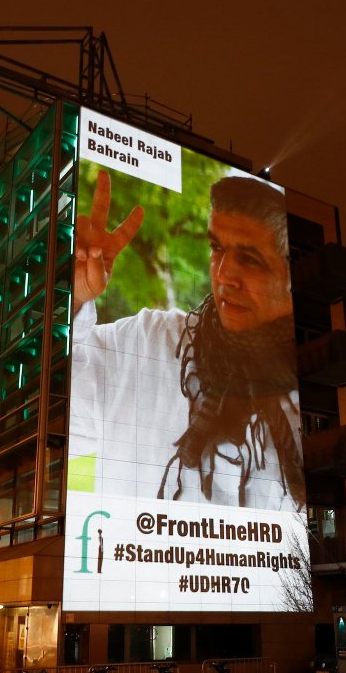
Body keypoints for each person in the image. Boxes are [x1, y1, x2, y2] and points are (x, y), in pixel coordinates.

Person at [70, 170, 304, 510]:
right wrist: (70, 297)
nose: (223, 274)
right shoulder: (150, 344)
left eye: (249, 259)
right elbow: (54, 409)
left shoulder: (307, 395)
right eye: (216, 247)